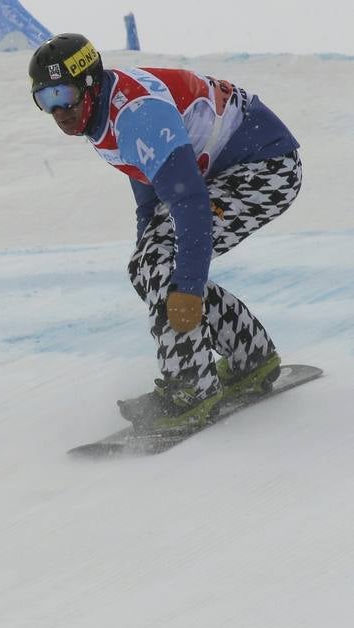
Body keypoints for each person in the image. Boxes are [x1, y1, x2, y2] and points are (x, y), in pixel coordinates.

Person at [28, 34, 301, 430]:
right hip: (236, 168)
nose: (58, 112)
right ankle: (250, 357)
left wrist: (186, 286)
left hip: (267, 169)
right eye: (45, 100)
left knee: (163, 264)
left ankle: (192, 387)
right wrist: (152, 261)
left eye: (62, 95)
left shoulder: (137, 114)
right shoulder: (98, 110)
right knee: (149, 265)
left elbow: (187, 199)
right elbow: (149, 185)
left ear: (89, 83)